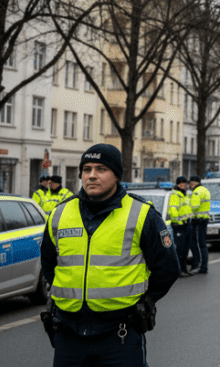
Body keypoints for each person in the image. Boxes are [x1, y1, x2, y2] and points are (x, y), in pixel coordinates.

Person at [40, 143, 180, 366]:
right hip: (68, 333)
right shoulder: (60, 214)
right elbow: (48, 264)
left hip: (120, 334)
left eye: (101, 169)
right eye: (87, 169)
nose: (92, 176)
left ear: (116, 175)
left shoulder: (142, 214)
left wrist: (143, 300)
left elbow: (168, 268)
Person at [188, 175, 211, 274]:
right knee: (202, 244)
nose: (190, 185)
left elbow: (194, 206)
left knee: (196, 243)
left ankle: (199, 264)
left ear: (196, 183)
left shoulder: (197, 192)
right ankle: (203, 265)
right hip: (203, 220)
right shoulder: (205, 190)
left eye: (192, 183)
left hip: (197, 220)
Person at [170, 177, 192, 277]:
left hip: (186, 224)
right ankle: (178, 271)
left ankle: (184, 268)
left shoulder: (185, 195)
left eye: (185, 183)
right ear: (178, 185)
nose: (184, 185)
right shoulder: (175, 195)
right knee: (179, 249)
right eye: (182, 184)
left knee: (185, 249)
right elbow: (173, 211)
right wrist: (179, 221)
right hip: (178, 225)